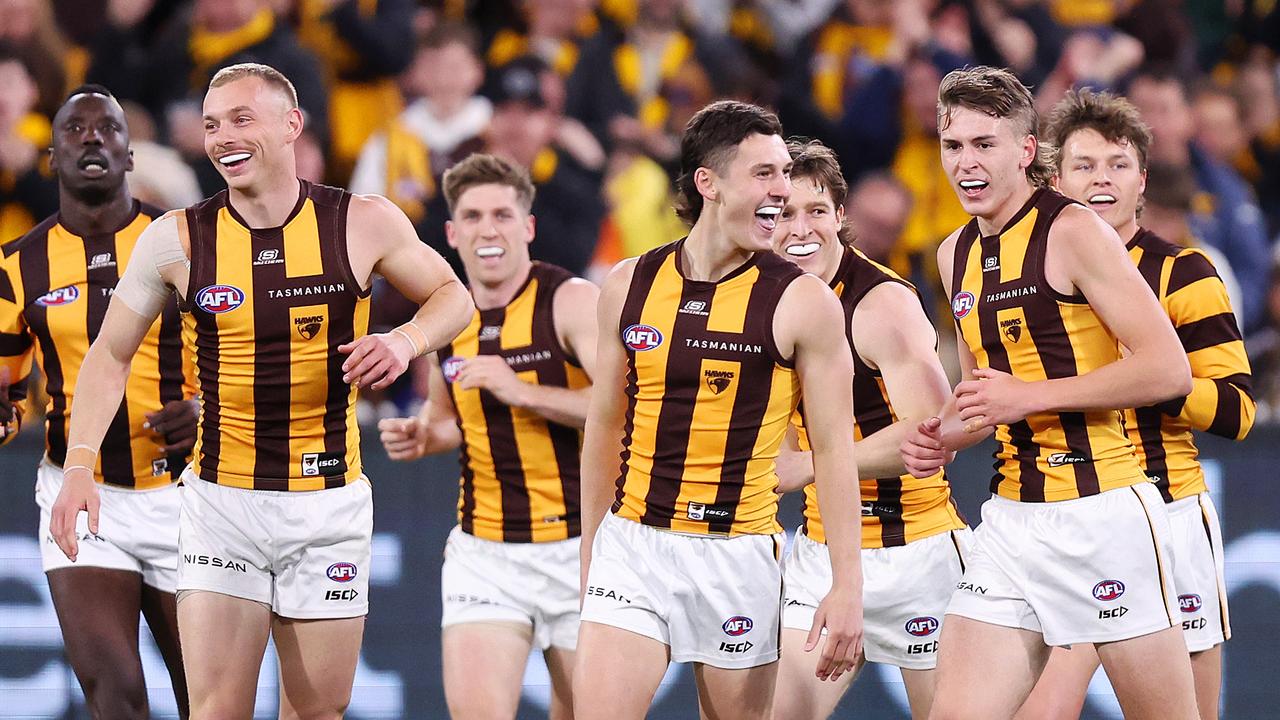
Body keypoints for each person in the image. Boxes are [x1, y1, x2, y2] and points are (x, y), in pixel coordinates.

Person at [47, 63, 473, 719]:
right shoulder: (177, 238)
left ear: (291, 124)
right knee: (216, 710)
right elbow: (109, 355)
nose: (223, 138)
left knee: (315, 711)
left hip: (327, 508)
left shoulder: (361, 221)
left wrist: (402, 341)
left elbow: (453, 297)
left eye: (242, 119)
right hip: (223, 504)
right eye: (213, 124)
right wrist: (78, 466)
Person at [900, 66, 1198, 720]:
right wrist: (943, 431)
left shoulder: (1073, 230)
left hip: (1103, 515)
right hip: (1011, 522)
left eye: (985, 144)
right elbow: (984, 392)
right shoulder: (954, 254)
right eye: (954, 146)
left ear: (1026, 151)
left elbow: (1167, 370)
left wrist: (1027, 398)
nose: (966, 163)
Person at [574, 100, 864, 720]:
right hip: (633, 546)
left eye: (785, 174)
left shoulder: (803, 301)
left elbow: (834, 451)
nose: (782, 193)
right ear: (708, 182)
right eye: (764, 174)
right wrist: (589, 557)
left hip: (737, 555)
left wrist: (847, 585)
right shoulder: (629, 284)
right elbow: (603, 427)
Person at [1016, 88, 1255, 720]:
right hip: (1063, 512)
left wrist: (1150, 376)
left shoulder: (1186, 273)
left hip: (1168, 508)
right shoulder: (1023, 276)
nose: (1101, 180)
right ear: (1053, 178)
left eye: (1117, 165)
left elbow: (1235, 411)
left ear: (1142, 182)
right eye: (1084, 165)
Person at [378, 152, 599, 719]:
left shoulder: (569, 300)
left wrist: (524, 391)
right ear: (452, 233)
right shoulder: (448, 317)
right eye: (473, 216)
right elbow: (448, 415)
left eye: (502, 214)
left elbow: (629, 409)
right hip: (486, 554)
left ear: (527, 226)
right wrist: (426, 434)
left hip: (584, 552)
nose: (488, 229)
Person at [0, 84, 194, 720]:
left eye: (107, 129)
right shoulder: (15, 268)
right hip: (81, 496)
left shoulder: (187, 245)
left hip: (188, 495)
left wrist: (208, 412)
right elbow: (5, 395)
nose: (91, 138)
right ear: (51, 158)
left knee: (212, 702)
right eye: (74, 130)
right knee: (114, 697)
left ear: (130, 155)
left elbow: (244, 357)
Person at [769, 139, 970, 720]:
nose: (800, 228)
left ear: (840, 217)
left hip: (918, 554)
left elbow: (934, 436)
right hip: (823, 553)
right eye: (784, 212)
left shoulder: (881, 303)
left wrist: (809, 465)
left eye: (816, 211)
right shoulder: (762, 300)